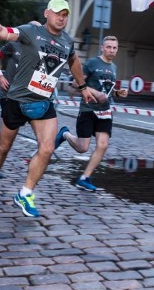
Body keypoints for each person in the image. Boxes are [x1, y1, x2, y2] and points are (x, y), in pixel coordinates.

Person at [0, 0, 96, 217]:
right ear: (47, 13)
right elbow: (2, 32)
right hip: (17, 100)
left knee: (47, 148)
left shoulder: (67, 41)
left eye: (65, 15)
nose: (61, 18)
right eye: (57, 13)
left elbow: (74, 61)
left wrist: (83, 87)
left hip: (43, 103)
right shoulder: (31, 32)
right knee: (3, 148)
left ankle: (25, 193)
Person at [55, 35, 129, 191]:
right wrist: (94, 92)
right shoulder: (92, 63)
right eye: (108, 47)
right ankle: (65, 135)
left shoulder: (114, 68)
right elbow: (76, 83)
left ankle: (84, 177)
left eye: (114, 48)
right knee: (82, 148)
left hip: (105, 112)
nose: (112, 50)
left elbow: (106, 91)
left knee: (103, 145)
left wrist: (117, 93)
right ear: (102, 47)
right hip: (88, 109)